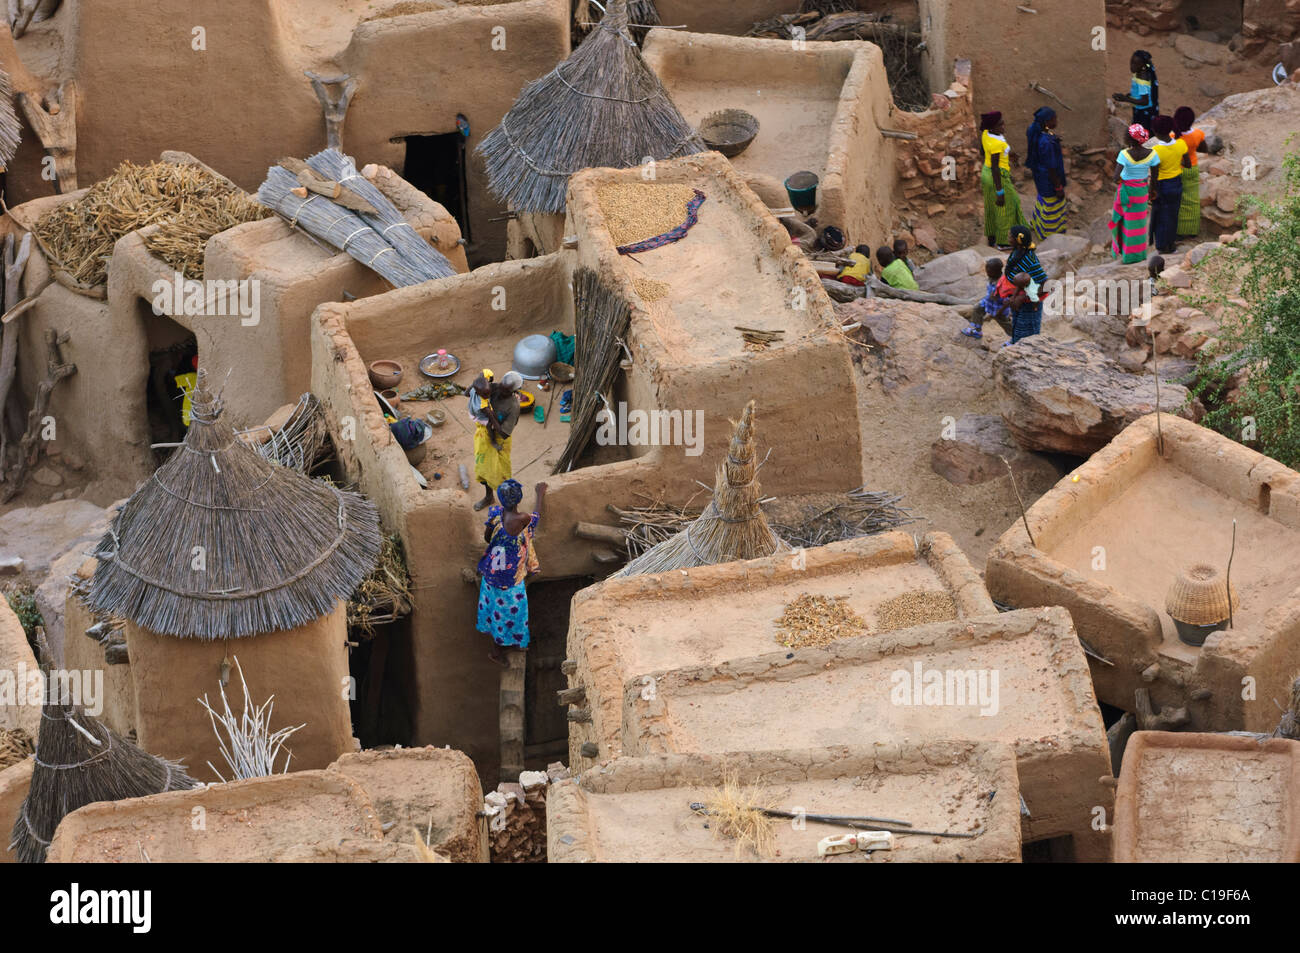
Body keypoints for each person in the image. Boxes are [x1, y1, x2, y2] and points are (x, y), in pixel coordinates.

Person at [476, 480, 547, 667]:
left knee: (497, 613)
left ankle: (511, 643)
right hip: (509, 582)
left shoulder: (494, 515)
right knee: (512, 614)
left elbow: (486, 538)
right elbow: (536, 517)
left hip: (491, 575)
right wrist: (540, 494)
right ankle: (497, 651)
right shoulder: (522, 519)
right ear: (519, 499)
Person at [470, 371, 523, 511]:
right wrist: (478, 381)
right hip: (484, 436)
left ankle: (509, 503)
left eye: (505, 391)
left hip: (500, 441)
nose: (500, 392)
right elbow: (468, 393)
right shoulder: (492, 387)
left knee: (502, 473)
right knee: (484, 469)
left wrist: (490, 416)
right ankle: (489, 497)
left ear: (513, 392)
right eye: (501, 387)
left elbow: (504, 433)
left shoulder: (513, 406)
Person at [1109, 124, 1160, 263]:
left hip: (1126, 191)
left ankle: (1125, 253)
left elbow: (1115, 178)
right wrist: (1152, 191)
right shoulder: (1152, 154)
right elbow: (1155, 177)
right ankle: (1138, 255)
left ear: (1128, 139)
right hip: (1141, 192)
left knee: (1124, 222)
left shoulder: (1124, 154)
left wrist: (1124, 183)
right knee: (1139, 225)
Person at [979, 111, 1025, 248]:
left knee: (991, 206)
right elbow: (995, 168)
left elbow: (983, 152)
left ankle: (992, 238)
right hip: (997, 175)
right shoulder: (996, 144)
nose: (1004, 126)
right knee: (1008, 206)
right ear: (992, 127)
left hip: (986, 172)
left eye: (1003, 122)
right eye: (1000, 124)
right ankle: (1004, 242)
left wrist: (1008, 155)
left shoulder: (986, 134)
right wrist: (1000, 192)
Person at [1147, 115, 1189, 255]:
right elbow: (1187, 164)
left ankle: (1162, 247)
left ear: (1156, 132)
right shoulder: (1181, 144)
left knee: (1160, 217)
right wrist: (1176, 163)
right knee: (1173, 214)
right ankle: (1172, 246)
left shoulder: (1156, 151)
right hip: (1177, 183)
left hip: (1162, 186)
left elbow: (1154, 174)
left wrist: (1151, 190)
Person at [1025, 107, 1067, 240]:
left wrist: (1054, 138)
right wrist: (1058, 187)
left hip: (1040, 176)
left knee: (1042, 200)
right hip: (1049, 180)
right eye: (1054, 118)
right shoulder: (1047, 144)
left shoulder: (1036, 131)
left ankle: (1039, 226)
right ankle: (1050, 235)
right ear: (1047, 122)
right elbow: (1052, 168)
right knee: (1052, 204)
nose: (1057, 120)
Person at [1004, 226, 1048, 344]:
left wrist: (1024, 297)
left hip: (1030, 304)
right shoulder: (1016, 253)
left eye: (1010, 236)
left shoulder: (1030, 260)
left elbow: (1046, 284)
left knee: (1027, 335)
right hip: (1019, 300)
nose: (1008, 238)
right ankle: (1014, 344)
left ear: (1018, 240)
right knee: (1017, 327)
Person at [1173, 106, 1209, 238]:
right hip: (1192, 168)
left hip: (1177, 170)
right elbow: (1204, 149)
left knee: (1180, 201)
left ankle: (1180, 231)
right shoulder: (1198, 134)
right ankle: (1192, 230)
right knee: (1192, 199)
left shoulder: (1173, 137)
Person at [961, 258, 1015, 339]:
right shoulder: (992, 277)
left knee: (1005, 323)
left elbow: (1008, 300)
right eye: (987, 270)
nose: (987, 273)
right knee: (977, 309)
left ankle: (1016, 338)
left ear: (997, 271)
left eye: (989, 271)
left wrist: (1000, 311)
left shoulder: (1003, 283)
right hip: (988, 302)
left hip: (998, 308)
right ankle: (977, 330)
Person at [1113, 50, 1159, 131]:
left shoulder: (1142, 78)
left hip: (1144, 112)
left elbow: (1145, 101)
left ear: (1143, 66)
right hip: (1140, 109)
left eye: (1135, 64)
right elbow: (1141, 92)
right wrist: (1130, 95)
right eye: (1131, 62)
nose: (1132, 66)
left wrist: (1126, 99)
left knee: (1141, 133)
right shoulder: (1138, 71)